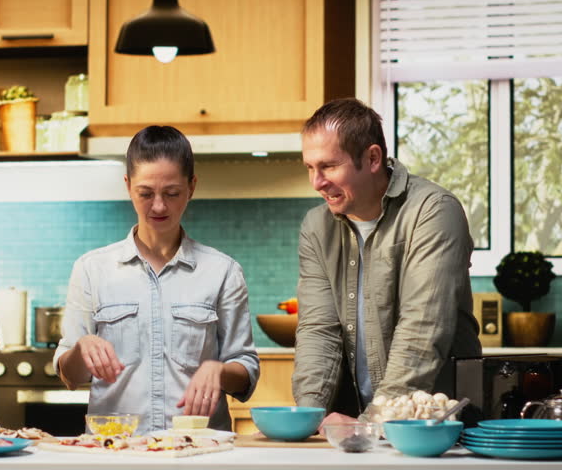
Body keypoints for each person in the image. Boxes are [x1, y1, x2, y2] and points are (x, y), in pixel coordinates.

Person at [54, 125, 260, 435]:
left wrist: (219, 371)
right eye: (146, 193)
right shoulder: (91, 269)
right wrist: (81, 349)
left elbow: (246, 370)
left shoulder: (222, 272)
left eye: (172, 193)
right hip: (115, 452)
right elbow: (70, 376)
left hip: (199, 450)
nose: (159, 206)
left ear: (191, 187)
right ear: (128, 186)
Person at [291, 98, 481, 427]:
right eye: (310, 167)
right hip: (359, 426)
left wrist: (377, 421)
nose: (317, 182)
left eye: (328, 166)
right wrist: (309, 416)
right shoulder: (316, 227)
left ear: (373, 158)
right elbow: (318, 331)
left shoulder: (434, 211)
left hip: (437, 427)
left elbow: (422, 328)